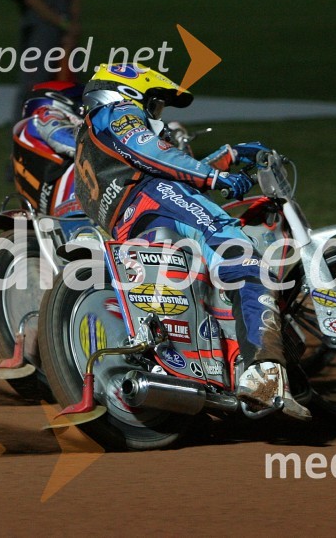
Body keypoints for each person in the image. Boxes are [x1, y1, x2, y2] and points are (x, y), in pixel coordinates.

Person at [75, 63, 311, 421]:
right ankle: (263, 373)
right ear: (130, 93)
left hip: (134, 218)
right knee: (243, 259)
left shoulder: (90, 138)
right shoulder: (118, 112)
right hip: (155, 198)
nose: (157, 118)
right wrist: (216, 176)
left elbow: (162, 165)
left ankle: (216, 363)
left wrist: (227, 157)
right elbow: (153, 154)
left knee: (210, 277)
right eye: (154, 105)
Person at [11, 80, 84, 214]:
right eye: (78, 99)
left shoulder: (28, 129)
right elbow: (64, 138)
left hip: (51, 203)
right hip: (71, 206)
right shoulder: (43, 115)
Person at [11, 0, 81, 115]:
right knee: (35, 83)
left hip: (65, 28)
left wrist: (72, 28)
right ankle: (25, 129)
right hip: (40, 28)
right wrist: (66, 25)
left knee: (67, 82)